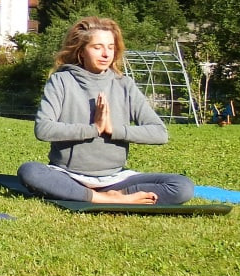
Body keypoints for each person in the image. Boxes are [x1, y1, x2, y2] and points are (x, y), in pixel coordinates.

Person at [19, 17, 194, 205]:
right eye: (97, 47)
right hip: (68, 176)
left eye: (110, 47)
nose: (105, 54)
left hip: (115, 179)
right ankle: (103, 198)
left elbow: (160, 133)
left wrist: (112, 129)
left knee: (182, 186)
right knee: (30, 171)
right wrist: (94, 128)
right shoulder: (61, 81)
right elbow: (43, 129)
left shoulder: (124, 85)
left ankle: (116, 195)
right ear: (81, 51)